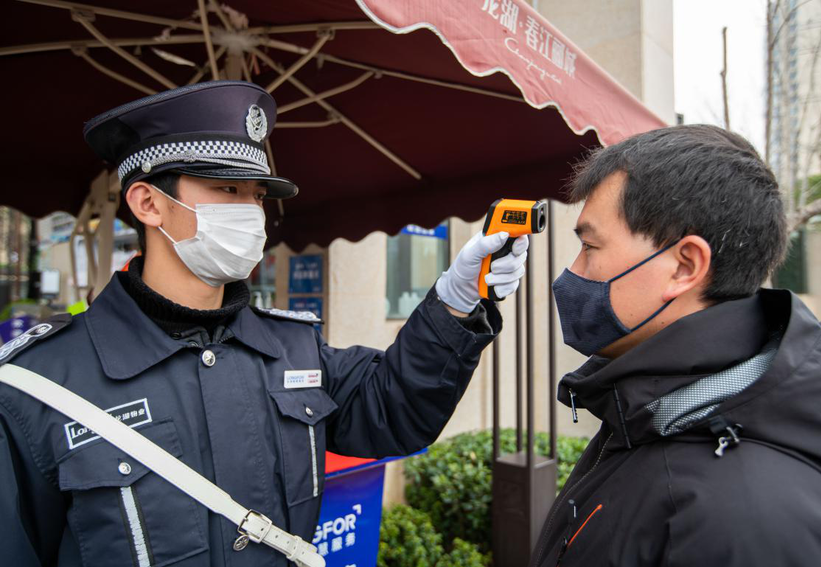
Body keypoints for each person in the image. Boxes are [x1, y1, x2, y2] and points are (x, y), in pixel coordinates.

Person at [0, 80, 529, 567]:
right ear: (147, 202)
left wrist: (455, 301)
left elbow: (395, 408)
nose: (252, 213)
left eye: (256, 195)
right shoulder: (37, 387)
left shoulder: (294, 347)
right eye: (227, 191)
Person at [531, 124, 821, 567]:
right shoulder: (654, 409)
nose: (573, 271)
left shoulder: (746, 522)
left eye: (590, 246)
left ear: (685, 266)